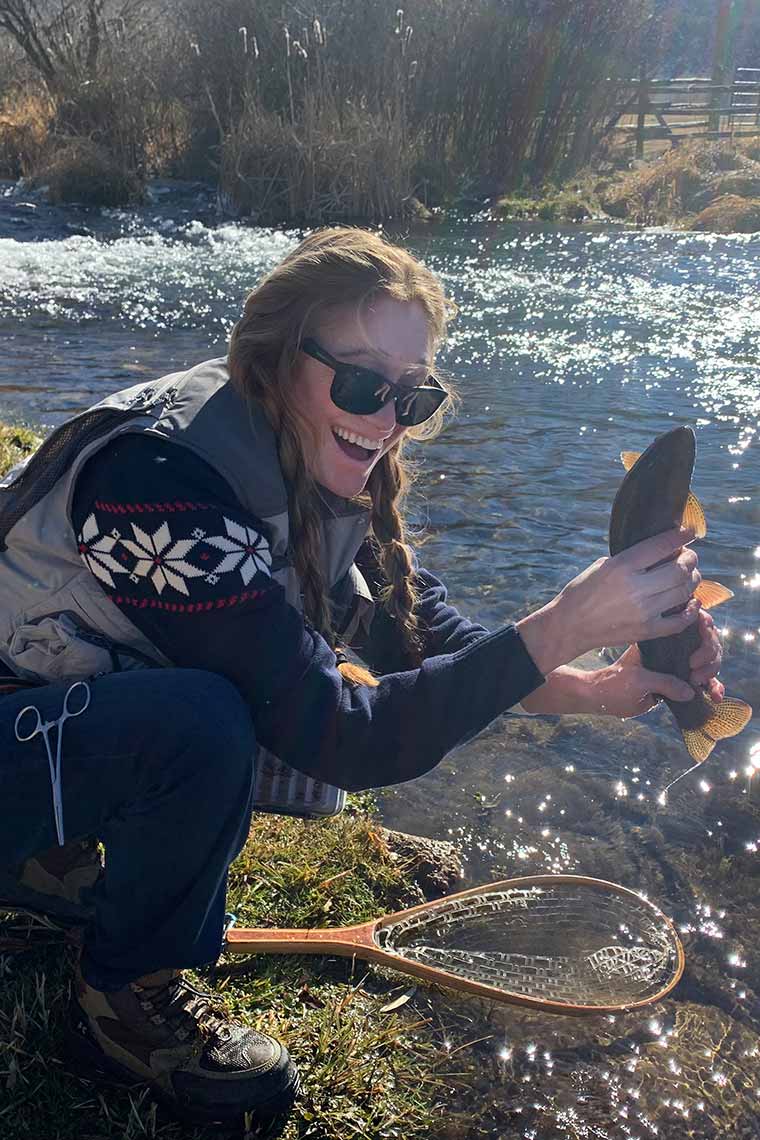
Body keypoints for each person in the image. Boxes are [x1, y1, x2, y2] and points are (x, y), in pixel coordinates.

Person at [0, 227, 723, 1128]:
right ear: (275, 359)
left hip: (45, 718)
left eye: (411, 399)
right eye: (362, 384)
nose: (384, 419)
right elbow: (347, 736)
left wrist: (597, 683)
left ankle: (47, 855)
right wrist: (566, 620)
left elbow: (418, 632)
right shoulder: (155, 481)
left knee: (205, 714)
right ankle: (122, 997)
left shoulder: (294, 453)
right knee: (203, 724)